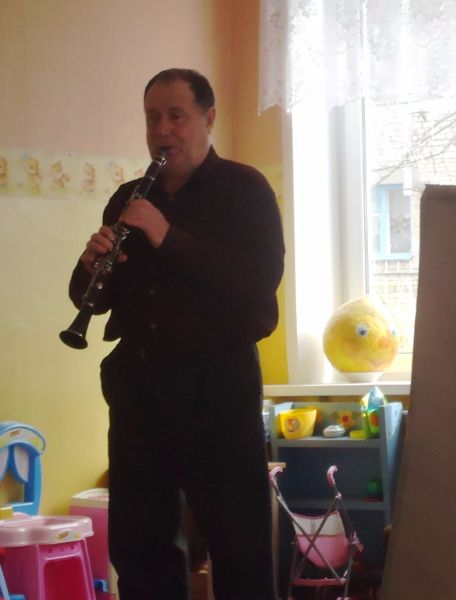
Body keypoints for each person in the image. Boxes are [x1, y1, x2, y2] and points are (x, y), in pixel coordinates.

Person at [67, 68, 285, 599]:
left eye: (176, 116)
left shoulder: (245, 189)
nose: (162, 130)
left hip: (219, 386)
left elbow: (257, 280)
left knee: (238, 539)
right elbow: (92, 298)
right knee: (139, 544)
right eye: (152, 118)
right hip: (140, 387)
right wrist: (90, 267)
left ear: (209, 118)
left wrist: (167, 235)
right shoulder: (129, 197)